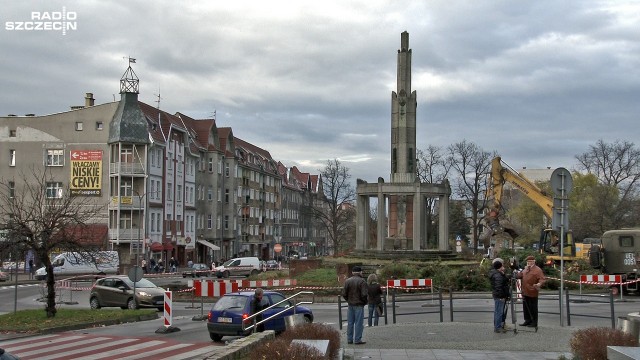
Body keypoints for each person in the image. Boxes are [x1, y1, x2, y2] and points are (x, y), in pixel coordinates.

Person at [516, 255, 545, 328]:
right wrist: (516, 272)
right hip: (525, 291)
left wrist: (539, 284)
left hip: (532, 291)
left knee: (533, 308)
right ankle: (527, 320)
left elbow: (542, 279)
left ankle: (534, 322)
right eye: (528, 262)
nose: (528, 263)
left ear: (533, 262)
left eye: (530, 261)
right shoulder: (526, 269)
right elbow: (520, 276)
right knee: (526, 307)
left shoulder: (537, 270)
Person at [342, 266, 368, 345]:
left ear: (353, 272)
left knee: (350, 323)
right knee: (358, 323)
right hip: (359, 305)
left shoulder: (347, 281)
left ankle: (349, 339)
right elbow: (364, 294)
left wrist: (348, 300)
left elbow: (344, 294)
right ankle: (357, 339)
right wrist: (364, 302)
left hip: (350, 305)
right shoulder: (362, 281)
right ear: (360, 272)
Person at [489, 260, 510, 333]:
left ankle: (498, 326)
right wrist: (502, 296)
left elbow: (505, 280)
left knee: (498, 311)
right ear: (500, 267)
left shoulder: (496, 273)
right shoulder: (498, 275)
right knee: (499, 312)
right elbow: (499, 287)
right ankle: (497, 327)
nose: (503, 267)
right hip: (499, 296)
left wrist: (503, 274)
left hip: (497, 295)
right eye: (502, 266)